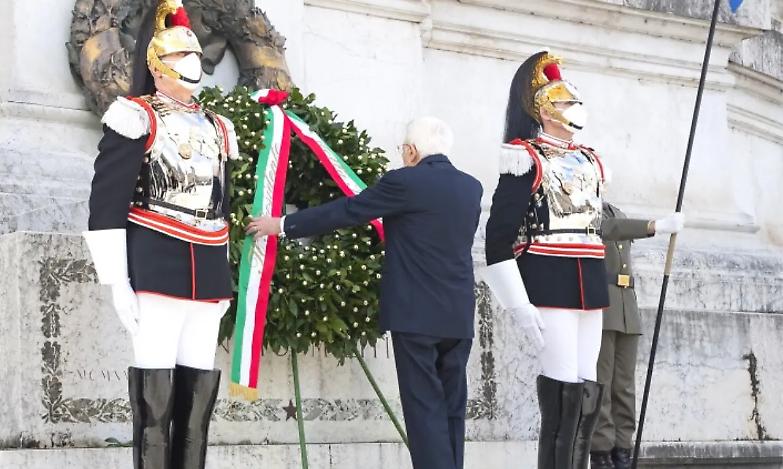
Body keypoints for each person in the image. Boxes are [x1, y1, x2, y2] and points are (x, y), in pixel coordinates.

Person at [246, 117, 483, 469]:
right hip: (458, 316)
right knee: (451, 411)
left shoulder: (406, 181)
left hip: (417, 317)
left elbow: (348, 211)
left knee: (424, 414)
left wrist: (281, 225)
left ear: (412, 151)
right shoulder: (472, 187)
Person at [81, 1, 239, 468]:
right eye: (177, 57)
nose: (191, 64)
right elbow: (106, 202)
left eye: (193, 56)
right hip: (156, 264)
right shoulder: (135, 116)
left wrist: (223, 277)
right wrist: (116, 279)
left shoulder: (217, 126)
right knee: (155, 403)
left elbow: (219, 204)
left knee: (197, 403)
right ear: (155, 64)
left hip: (207, 271)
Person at [483, 50, 608, 469]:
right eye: (566, 102)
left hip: (590, 278)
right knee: (562, 391)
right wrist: (517, 303)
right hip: (548, 279)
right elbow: (498, 239)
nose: (576, 109)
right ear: (544, 109)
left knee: (587, 390)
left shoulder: (590, 159)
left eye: (577, 101)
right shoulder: (524, 156)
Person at [590, 203, 684, 469]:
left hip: (626, 307)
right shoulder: (585, 210)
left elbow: (619, 225)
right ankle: (601, 452)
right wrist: (656, 226)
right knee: (602, 384)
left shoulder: (616, 211)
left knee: (625, 385)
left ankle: (623, 449)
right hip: (603, 306)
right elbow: (611, 229)